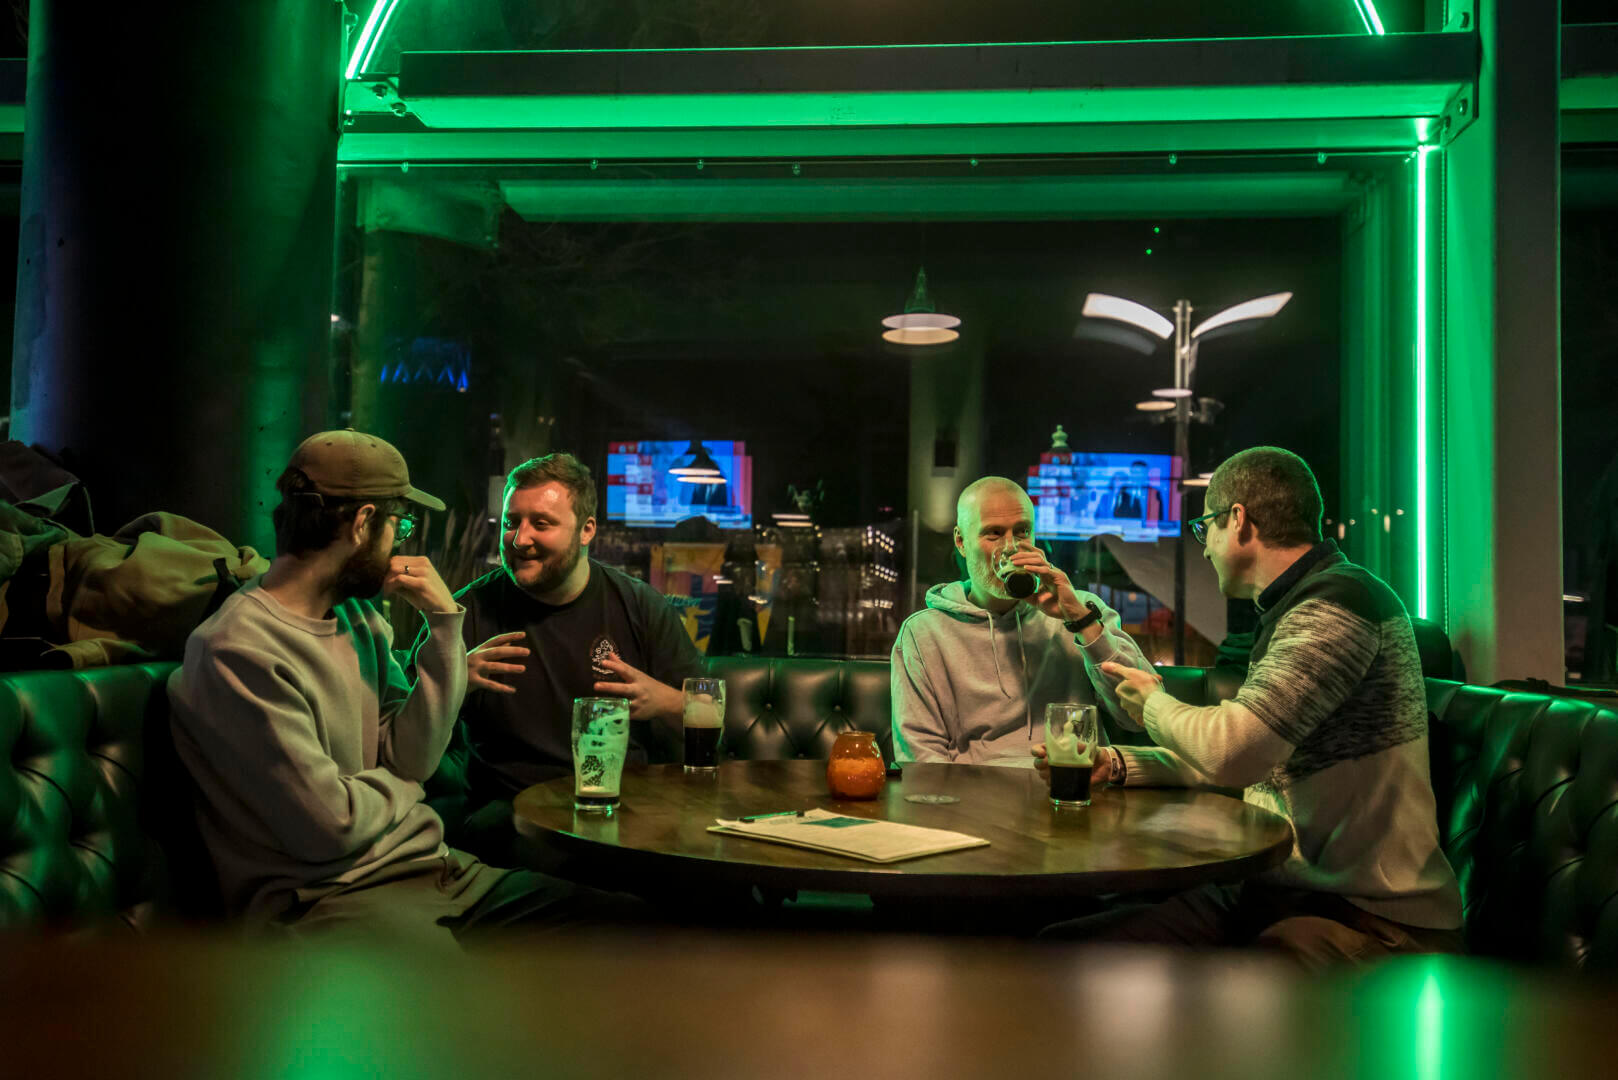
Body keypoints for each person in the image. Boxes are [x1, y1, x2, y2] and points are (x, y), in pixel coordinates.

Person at [167, 430, 634, 950]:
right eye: (400, 525)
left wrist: (444, 625)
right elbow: (334, 825)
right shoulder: (239, 650)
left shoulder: (357, 618)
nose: (401, 542)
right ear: (363, 524)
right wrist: (406, 786)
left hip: (436, 875)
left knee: (639, 929)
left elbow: (413, 756)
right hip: (331, 904)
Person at [1037, 446, 1463, 967]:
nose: (1204, 550)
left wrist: (1153, 704)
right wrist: (1121, 763)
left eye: (1205, 528)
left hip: (1372, 918)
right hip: (1286, 894)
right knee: (1061, 951)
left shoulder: (1338, 606)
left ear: (1237, 520)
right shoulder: (1296, 607)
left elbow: (1233, 753)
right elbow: (1259, 761)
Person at [433, 452, 705, 862]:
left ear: (586, 530)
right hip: (512, 816)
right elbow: (399, 731)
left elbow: (710, 712)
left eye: (541, 524)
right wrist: (450, 681)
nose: (519, 539)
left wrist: (665, 700)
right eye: (511, 522)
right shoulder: (466, 612)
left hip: (623, 809)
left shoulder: (638, 606)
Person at [890, 476, 1153, 765]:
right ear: (961, 541)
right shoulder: (923, 632)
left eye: (1022, 532)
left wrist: (1081, 621)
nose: (1011, 548)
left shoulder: (1084, 610)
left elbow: (1141, 716)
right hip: (975, 789)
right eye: (993, 534)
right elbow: (921, 755)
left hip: (1070, 782)